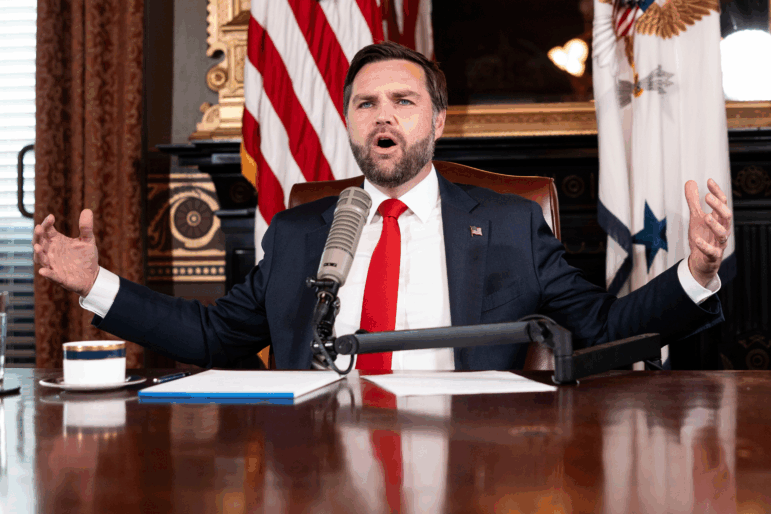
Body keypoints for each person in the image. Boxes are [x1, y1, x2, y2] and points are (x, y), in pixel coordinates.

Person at [33, 42, 732, 371]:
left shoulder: (511, 225)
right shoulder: (299, 233)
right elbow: (216, 337)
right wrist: (96, 282)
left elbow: (604, 328)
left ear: (437, 121)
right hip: (320, 459)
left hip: (470, 458)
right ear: (348, 122)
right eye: (365, 103)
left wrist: (696, 272)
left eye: (403, 100)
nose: (383, 115)